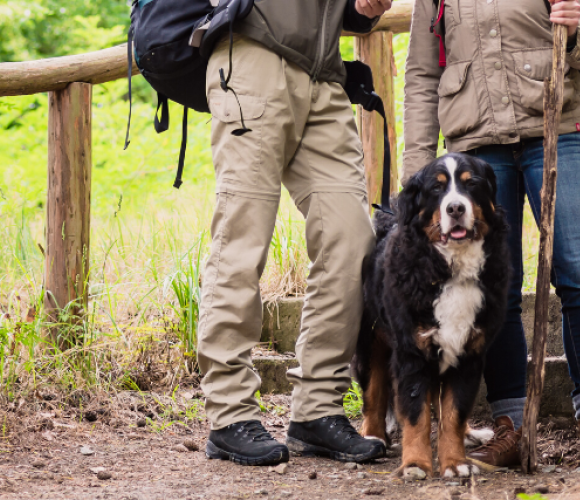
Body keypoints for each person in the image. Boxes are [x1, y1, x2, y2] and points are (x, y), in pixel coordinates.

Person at [197, 0, 393, 466]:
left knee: (353, 240)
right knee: (242, 239)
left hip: (324, 75)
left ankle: (317, 408)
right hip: (252, 60)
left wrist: (360, 8)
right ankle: (228, 414)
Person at [403, 0, 580, 469]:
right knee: (492, 288)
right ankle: (511, 427)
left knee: (577, 267)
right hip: (475, 148)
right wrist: (416, 173)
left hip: (558, 127)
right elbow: (422, 77)